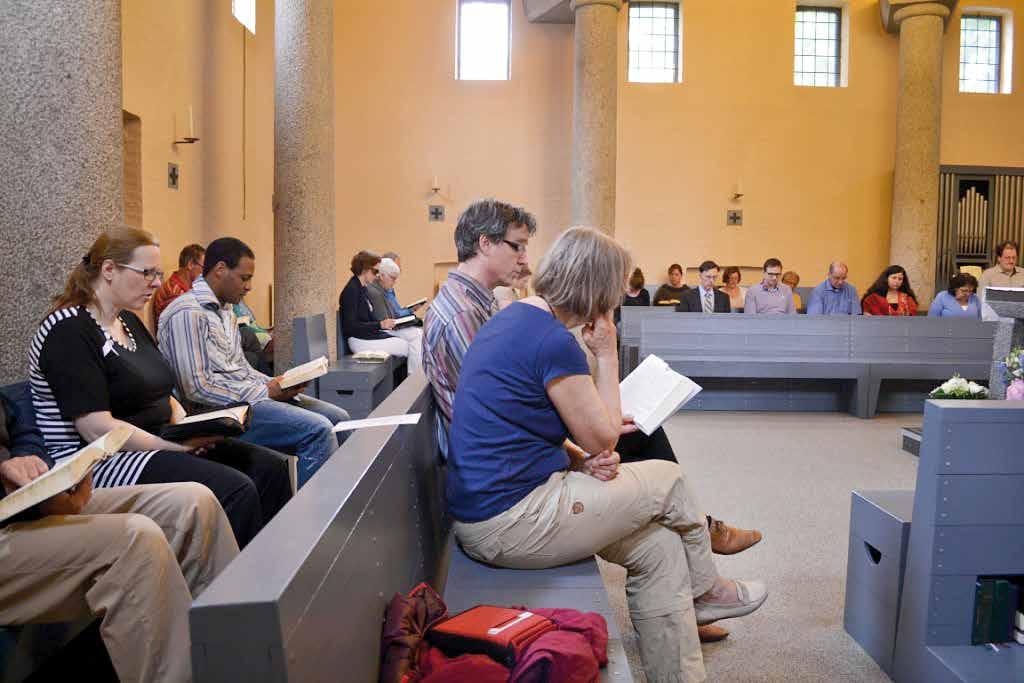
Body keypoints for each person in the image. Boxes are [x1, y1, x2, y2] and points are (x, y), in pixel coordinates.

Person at [423, 199, 761, 645]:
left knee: (659, 549)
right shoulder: (551, 341)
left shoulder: (518, 318)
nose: (618, 300)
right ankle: (707, 589)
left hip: (499, 502)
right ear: (597, 290)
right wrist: (605, 353)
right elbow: (603, 438)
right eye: (616, 291)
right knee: (670, 479)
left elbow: (524, 422)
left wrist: (580, 463)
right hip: (508, 520)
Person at [30, 227, 292, 549]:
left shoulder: (129, 322)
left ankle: (278, 569)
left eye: (159, 273)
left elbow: (161, 388)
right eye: (147, 273)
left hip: (157, 440)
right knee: (235, 488)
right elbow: (96, 428)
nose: (156, 283)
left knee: (268, 467)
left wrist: (185, 427)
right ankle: (234, 592)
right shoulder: (69, 329)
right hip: (97, 463)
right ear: (109, 270)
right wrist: (170, 446)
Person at [0, 385, 239, 683]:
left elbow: (15, 419)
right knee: (132, 540)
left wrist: (29, 461)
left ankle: (237, 662)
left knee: (191, 502)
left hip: (15, 505)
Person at [160, 237, 349, 488]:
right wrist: (265, 391)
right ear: (220, 270)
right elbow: (196, 387)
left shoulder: (225, 310)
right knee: (318, 430)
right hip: (216, 413)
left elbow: (240, 367)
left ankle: (345, 504)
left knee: (339, 417)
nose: (249, 286)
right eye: (244, 278)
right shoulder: (188, 313)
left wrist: (276, 382)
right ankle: (313, 520)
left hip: (244, 398)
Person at [340, 251, 422, 372]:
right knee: (407, 346)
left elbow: (367, 319)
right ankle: (412, 382)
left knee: (413, 341)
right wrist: (380, 324)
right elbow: (350, 327)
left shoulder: (361, 288)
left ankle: (413, 381)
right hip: (359, 340)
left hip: (367, 336)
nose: (377, 275)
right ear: (365, 270)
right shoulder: (352, 290)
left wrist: (383, 323)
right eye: (375, 271)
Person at [367, 257, 425, 362]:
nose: (394, 282)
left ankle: (415, 372)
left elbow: (393, 314)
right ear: (382, 275)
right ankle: (413, 374)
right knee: (416, 334)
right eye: (393, 278)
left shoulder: (384, 289)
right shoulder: (375, 291)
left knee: (418, 332)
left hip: (390, 326)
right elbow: (385, 319)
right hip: (381, 330)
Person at [151, 243, 204, 329]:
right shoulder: (174, 293)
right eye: (203, 268)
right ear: (190, 264)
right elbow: (182, 329)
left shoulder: (185, 288)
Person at [379, 251, 427, 319]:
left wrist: (407, 309)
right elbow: (396, 314)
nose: (400, 269)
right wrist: (411, 310)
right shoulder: (382, 289)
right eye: (397, 266)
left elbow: (397, 310)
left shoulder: (389, 288)